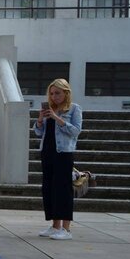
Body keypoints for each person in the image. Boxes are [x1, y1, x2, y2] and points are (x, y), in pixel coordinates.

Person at [33, 78, 82, 240]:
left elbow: (75, 131)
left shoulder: (74, 109)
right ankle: (55, 226)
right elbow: (39, 133)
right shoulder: (50, 109)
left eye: (58, 93)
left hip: (64, 154)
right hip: (47, 152)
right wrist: (40, 119)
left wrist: (57, 118)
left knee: (63, 190)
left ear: (66, 93)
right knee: (49, 189)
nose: (54, 97)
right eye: (52, 93)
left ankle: (66, 230)